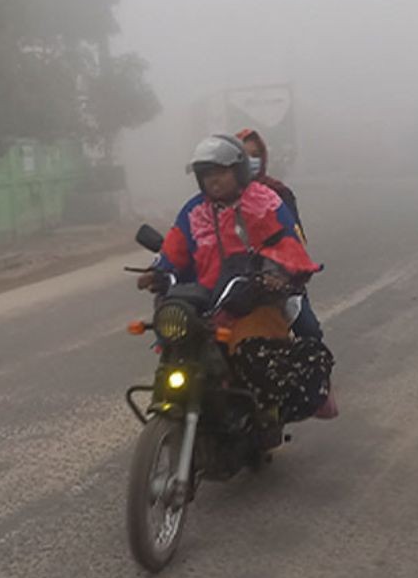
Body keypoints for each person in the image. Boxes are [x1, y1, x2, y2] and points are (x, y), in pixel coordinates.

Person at [140, 134, 334, 425]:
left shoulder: (265, 202)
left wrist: (273, 277)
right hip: (205, 302)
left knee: (256, 354)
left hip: (252, 300)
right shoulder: (194, 210)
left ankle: (267, 411)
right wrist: (158, 272)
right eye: (206, 174)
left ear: (238, 171)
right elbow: (174, 249)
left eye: (220, 172)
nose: (212, 180)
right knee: (177, 344)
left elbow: (286, 247)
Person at [236, 128, 324, 343]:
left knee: (309, 331)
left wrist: (279, 274)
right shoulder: (216, 199)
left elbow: (294, 240)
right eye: (244, 156)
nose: (251, 161)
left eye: (255, 155)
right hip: (232, 282)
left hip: (277, 281)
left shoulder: (278, 194)